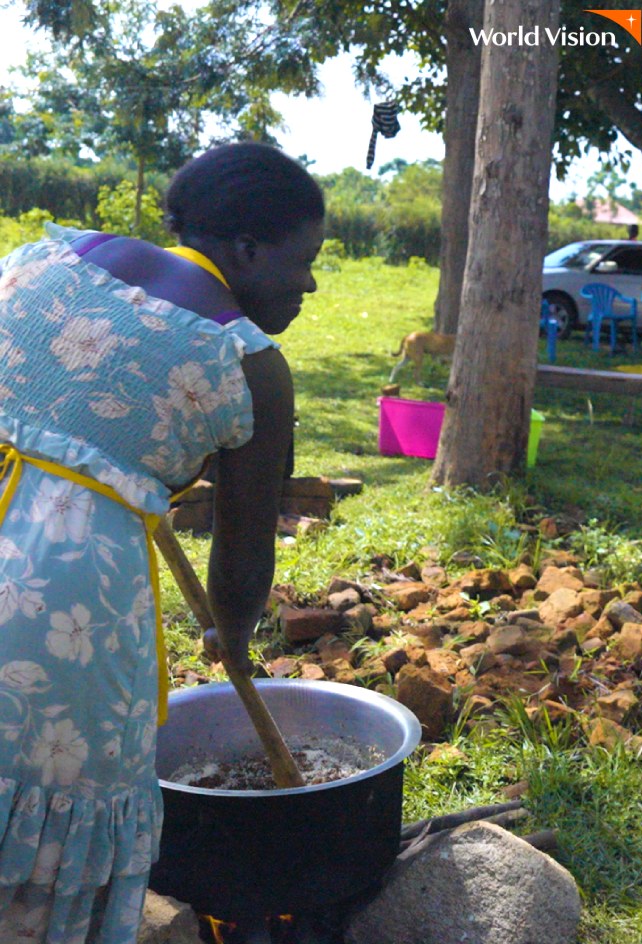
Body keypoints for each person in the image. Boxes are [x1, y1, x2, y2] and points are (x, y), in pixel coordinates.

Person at [0, 142, 324, 943]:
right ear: (246, 250)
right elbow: (243, 558)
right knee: (44, 814)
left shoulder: (47, 256)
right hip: (64, 593)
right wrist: (234, 629)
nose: (310, 284)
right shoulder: (248, 361)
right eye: (305, 260)